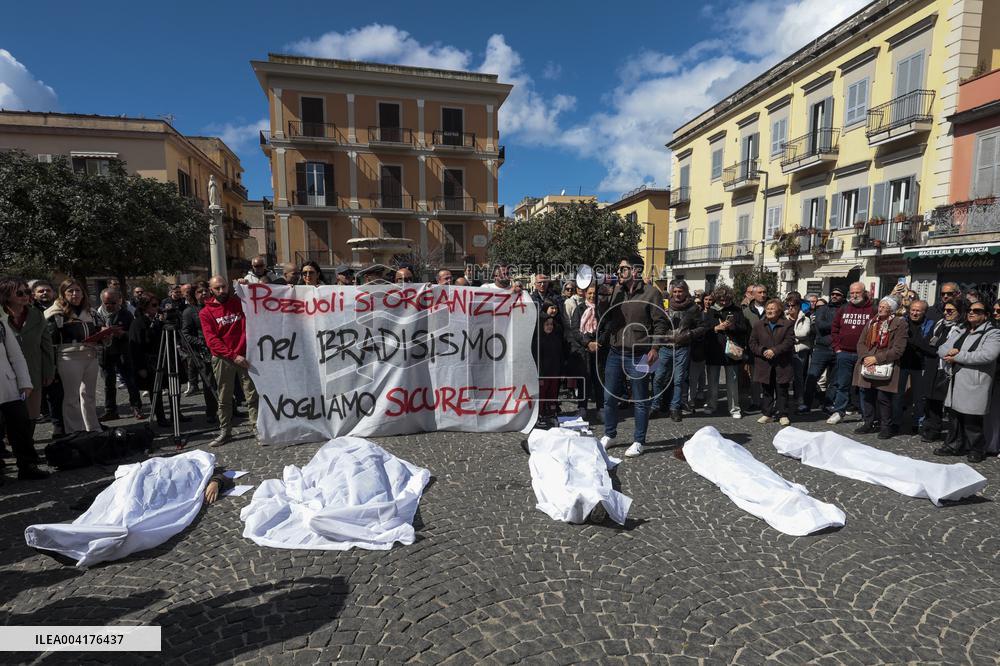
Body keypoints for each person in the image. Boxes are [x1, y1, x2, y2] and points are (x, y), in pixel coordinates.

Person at [597, 254, 667, 457]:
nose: (619, 272)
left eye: (623, 269)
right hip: (615, 351)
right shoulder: (617, 291)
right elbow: (606, 317)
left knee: (640, 399)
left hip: (639, 353)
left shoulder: (651, 293)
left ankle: (639, 440)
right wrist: (602, 298)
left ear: (635, 271)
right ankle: (610, 434)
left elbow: (660, 323)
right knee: (609, 397)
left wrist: (655, 348)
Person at [934, 302, 1000, 463]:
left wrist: (958, 356)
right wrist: (948, 353)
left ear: (986, 315)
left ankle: (977, 449)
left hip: (975, 382)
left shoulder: (993, 333)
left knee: (972, 419)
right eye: (970, 310)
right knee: (954, 417)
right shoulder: (962, 330)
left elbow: (988, 355)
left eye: (977, 311)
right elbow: (941, 348)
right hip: (956, 380)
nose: (972, 313)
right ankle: (953, 445)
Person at [200, 276, 259, 447]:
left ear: (228, 286)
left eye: (223, 287)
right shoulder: (206, 312)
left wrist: (248, 286)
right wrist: (233, 356)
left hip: (246, 356)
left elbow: (259, 298)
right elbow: (212, 341)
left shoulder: (239, 303)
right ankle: (225, 431)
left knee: (252, 394)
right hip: (223, 358)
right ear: (211, 289)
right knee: (225, 397)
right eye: (217, 288)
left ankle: (256, 426)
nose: (221, 291)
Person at [44, 279, 102, 434]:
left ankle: (93, 428)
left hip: (91, 355)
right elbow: (49, 341)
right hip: (69, 357)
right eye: (70, 291)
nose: (75, 294)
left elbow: (98, 332)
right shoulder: (55, 313)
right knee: (71, 397)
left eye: (78, 291)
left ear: (83, 293)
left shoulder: (90, 312)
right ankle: (75, 431)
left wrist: (103, 337)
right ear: (63, 294)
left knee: (88, 395)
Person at [0, 277, 55, 426]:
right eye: (19, 293)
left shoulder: (36, 315)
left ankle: (27, 445)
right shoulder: (1, 319)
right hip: (5, 379)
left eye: (27, 292)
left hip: (33, 373)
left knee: (30, 415)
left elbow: (46, 345)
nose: (25, 295)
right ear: (5, 296)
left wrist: (49, 370)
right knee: (9, 417)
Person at [0, 316, 48, 482]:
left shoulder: (1, 323)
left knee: (20, 426)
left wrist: (25, 382)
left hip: (7, 385)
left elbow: (16, 355)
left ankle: (27, 466)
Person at [852, 296, 907, 439]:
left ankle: (885, 426)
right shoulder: (872, 322)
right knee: (867, 395)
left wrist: (877, 358)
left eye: (885, 306)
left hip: (885, 363)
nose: (880, 308)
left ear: (892, 309)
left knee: (884, 398)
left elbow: (898, 349)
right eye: (880, 306)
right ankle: (868, 422)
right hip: (867, 362)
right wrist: (866, 357)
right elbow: (861, 343)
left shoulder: (899, 323)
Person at [826, 282, 876, 425]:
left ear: (864, 292)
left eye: (857, 293)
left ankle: (865, 414)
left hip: (864, 356)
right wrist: (837, 348)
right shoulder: (843, 309)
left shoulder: (872, 310)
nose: (854, 295)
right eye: (852, 293)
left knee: (864, 386)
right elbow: (834, 328)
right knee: (842, 384)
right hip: (844, 353)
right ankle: (839, 411)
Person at [653, 279, 703, 422]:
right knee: (658, 378)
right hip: (665, 347)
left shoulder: (693, 308)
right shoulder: (664, 305)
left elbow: (702, 327)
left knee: (679, 380)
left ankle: (675, 408)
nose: (677, 294)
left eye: (680, 291)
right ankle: (655, 406)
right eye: (674, 291)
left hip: (682, 347)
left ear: (685, 292)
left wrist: (688, 334)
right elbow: (657, 323)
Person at [95, 288, 142, 421]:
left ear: (120, 301)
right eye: (106, 303)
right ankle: (110, 411)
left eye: (113, 303)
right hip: (105, 353)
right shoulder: (97, 315)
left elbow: (133, 334)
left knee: (130, 381)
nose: (110, 306)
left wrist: (122, 334)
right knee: (108, 384)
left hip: (122, 352)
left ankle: (136, 407)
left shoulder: (126, 314)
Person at [921, 301, 964, 442]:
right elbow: (927, 342)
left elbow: (946, 348)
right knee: (930, 399)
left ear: (959, 311)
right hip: (933, 365)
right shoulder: (939, 324)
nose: (946, 313)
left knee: (945, 402)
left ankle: (951, 435)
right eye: (945, 310)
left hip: (947, 368)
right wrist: (935, 350)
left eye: (950, 310)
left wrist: (937, 349)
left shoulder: (961, 328)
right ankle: (931, 429)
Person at [749, 298, 795, 425]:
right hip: (765, 363)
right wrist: (763, 350)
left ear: (779, 310)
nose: (769, 311)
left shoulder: (787, 324)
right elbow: (752, 343)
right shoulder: (758, 325)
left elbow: (789, 342)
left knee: (782, 390)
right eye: (767, 308)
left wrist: (775, 350)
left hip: (782, 363)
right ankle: (767, 413)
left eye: (772, 308)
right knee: (767, 390)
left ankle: (783, 414)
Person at [704, 285, 747, 419]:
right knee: (712, 381)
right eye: (721, 299)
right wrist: (716, 328)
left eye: (726, 299)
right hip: (714, 350)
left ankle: (734, 408)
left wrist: (731, 326)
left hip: (731, 351)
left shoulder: (737, 310)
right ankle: (711, 405)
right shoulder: (710, 311)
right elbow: (704, 329)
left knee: (732, 382)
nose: (723, 302)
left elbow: (743, 329)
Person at [894, 299, 935, 435]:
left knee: (919, 397)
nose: (915, 313)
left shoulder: (930, 324)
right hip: (902, 362)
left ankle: (917, 422)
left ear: (924, 312)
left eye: (918, 310)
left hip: (920, 364)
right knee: (898, 394)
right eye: (913, 310)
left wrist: (915, 342)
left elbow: (928, 345)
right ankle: (896, 421)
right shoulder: (902, 321)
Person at [129, 294, 169, 427]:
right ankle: (160, 417)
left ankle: (174, 414)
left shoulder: (157, 321)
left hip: (161, 359)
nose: (157, 308)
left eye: (158, 305)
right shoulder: (138, 323)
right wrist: (140, 367)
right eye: (153, 305)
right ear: (145, 306)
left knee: (167, 387)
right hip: (148, 363)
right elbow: (135, 347)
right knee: (155, 391)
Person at [181, 281, 218, 425]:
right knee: (209, 384)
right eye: (199, 292)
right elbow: (186, 335)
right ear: (194, 295)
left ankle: (230, 408)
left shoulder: (215, 307)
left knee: (224, 382)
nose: (204, 294)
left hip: (219, 349)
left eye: (205, 291)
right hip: (203, 353)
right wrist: (203, 342)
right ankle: (211, 412)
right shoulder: (189, 312)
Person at [802, 288, 843, 413]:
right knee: (812, 377)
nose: (834, 296)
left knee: (835, 380)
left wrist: (834, 325)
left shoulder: (846, 309)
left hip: (839, 349)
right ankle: (806, 404)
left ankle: (828, 404)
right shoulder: (823, 309)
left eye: (838, 294)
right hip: (821, 348)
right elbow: (820, 325)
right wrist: (839, 324)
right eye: (833, 294)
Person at [572, 284, 604, 416]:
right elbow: (574, 329)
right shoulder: (579, 309)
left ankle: (601, 408)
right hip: (584, 349)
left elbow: (606, 328)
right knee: (584, 379)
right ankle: (582, 407)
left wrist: (597, 343)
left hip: (599, 348)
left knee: (599, 379)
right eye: (589, 293)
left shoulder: (602, 309)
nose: (592, 296)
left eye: (594, 293)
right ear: (585, 294)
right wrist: (587, 343)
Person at [532, 312, 567, 428]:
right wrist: (539, 374)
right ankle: (539, 415)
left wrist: (561, 372)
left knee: (552, 395)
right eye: (546, 324)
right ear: (541, 325)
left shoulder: (556, 338)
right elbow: (537, 359)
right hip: (543, 374)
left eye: (551, 324)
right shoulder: (537, 340)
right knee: (542, 395)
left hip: (554, 372)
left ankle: (552, 413)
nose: (549, 327)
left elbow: (561, 356)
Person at [786, 295, 812, 412]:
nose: (790, 308)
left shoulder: (805, 318)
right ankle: (783, 400)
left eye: (793, 306)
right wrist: (793, 337)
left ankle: (800, 400)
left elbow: (804, 333)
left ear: (798, 306)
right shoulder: (784, 317)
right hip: (786, 351)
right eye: (789, 305)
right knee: (784, 376)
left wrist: (790, 336)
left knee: (799, 377)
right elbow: (780, 333)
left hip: (799, 351)